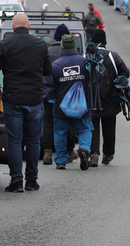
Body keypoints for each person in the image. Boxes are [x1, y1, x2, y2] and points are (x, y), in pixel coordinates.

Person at [0, 13, 52, 193]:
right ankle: (32, 180)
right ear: (29, 26)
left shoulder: (5, 44)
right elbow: (47, 70)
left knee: (15, 140)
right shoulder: (40, 45)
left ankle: (16, 180)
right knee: (33, 141)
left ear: (13, 27)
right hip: (34, 99)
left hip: (13, 99)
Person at [46, 34, 93, 171]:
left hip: (61, 107)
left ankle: (61, 160)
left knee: (60, 132)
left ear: (62, 47)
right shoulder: (84, 62)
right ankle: (84, 148)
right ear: (74, 46)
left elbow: (49, 85)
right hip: (81, 106)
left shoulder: (56, 65)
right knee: (84, 129)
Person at [87, 29, 130, 167]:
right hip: (110, 98)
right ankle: (107, 154)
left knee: (92, 126)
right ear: (105, 42)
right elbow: (125, 72)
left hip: (92, 98)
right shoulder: (112, 56)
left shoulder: (87, 56)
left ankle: (93, 154)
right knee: (109, 126)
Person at [42, 24, 76, 166]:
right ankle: (69, 151)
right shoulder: (71, 55)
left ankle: (47, 152)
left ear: (55, 38)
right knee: (67, 123)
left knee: (48, 122)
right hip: (66, 97)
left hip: (48, 95)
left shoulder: (46, 52)